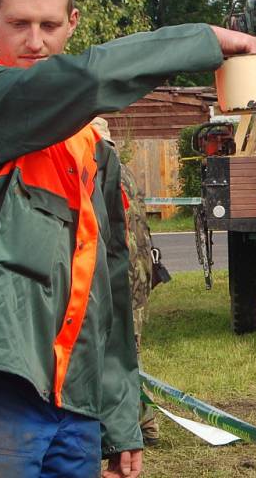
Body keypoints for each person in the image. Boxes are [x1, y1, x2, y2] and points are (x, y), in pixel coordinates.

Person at [0, 0, 256, 478]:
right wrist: (196, 42)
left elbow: (107, 293)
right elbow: (74, 82)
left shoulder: (94, 149)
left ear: (72, 24)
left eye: (49, 25)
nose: (34, 41)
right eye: (18, 24)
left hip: (77, 408)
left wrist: (121, 417)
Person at [90, 117, 160, 446]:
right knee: (128, 348)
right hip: (138, 271)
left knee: (122, 350)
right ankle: (142, 424)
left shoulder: (103, 173)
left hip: (122, 274)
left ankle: (138, 428)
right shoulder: (123, 171)